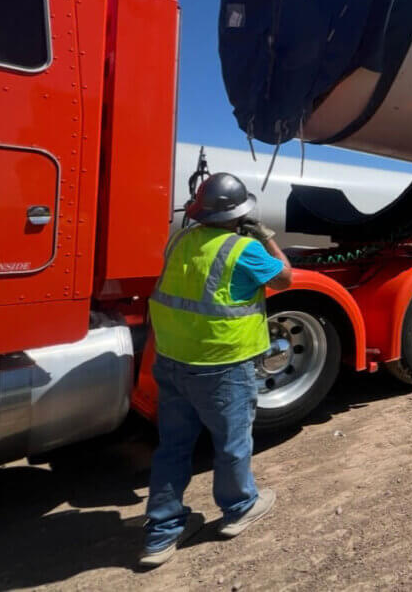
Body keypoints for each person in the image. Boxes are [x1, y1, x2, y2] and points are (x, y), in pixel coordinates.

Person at [140, 172, 293, 567]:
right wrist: (266, 236)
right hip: (223, 366)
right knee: (231, 443)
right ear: (240, 214)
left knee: (173, 447)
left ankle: (161, 534)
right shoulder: (244, 249)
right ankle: (240, 507)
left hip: (173, 362)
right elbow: (285, 278)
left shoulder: (179, 240)